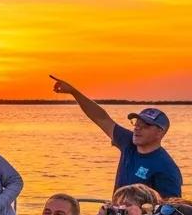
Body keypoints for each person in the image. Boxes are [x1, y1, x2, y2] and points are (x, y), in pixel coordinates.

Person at [51, 75, 182, 196]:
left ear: (160, 132)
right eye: (137, 123)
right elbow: (101, 118)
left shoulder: (166, 168)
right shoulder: (129, 141)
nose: (137, 128)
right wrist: (74, 92)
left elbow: (172, 212)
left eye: (145, 125)